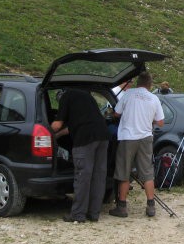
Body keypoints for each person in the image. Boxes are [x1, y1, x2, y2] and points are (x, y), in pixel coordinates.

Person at [109, 72, 165, 218]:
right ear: (150, 84)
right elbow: (160, 122)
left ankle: (122, 207)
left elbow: (116, 113)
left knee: (124, 172)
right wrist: (148, 120)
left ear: (138, 82)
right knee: (147, 172)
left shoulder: (128, 94)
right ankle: (151, 205)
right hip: (146, 137)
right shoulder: (154, 98)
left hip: (128, 137)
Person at [51, 89, 110, 223]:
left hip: (85, 139)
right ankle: (94, 213)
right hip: (103, 135)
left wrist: (47, 132)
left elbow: (57, 124)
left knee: (83, 176)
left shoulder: (65, 97)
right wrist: (58, 135)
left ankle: (78, 214)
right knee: (98, 176)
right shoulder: (86, 96)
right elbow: (74, 125)